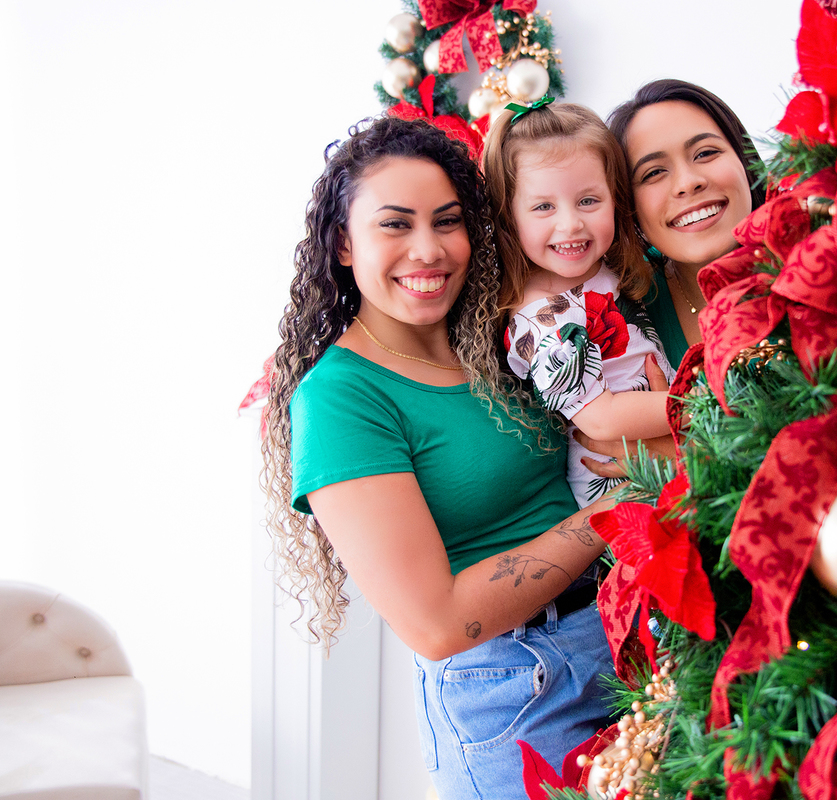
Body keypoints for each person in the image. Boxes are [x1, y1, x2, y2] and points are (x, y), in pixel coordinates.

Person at [260, 115, 622, 800]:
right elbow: (435, 624)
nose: (428, 250)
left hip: (620, 632)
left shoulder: (494, 338)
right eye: (395, 225)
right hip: (518, 691)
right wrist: (616, 514)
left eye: (447, 221)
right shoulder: (341, 399)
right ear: (342, 244)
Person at [483, 100, 676, 507]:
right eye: (543, 207)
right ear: (509, 217)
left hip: (674, 446)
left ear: (615, 199)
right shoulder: (539, 319)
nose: (570, 223)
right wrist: (705, 405)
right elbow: (601, 418)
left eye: (588, 201)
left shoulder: (604, 267)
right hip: (622, 485)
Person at [607, 79, 768, 370]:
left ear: (745, 160)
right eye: (653, 172)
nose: (687, 183)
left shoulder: (830, 249)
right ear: (628, 205)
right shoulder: (621, 310)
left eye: (705, 153)